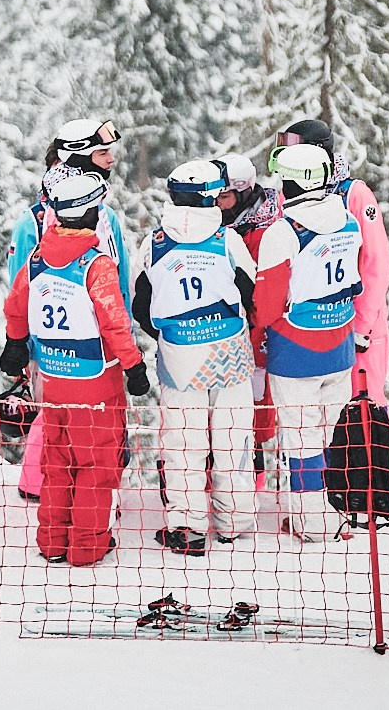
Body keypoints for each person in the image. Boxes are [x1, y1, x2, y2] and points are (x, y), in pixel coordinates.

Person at [0, 171, 147, 566]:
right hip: (96, 382)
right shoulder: (96, 265)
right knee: (96, 465)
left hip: (54, 378)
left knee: (57, 461)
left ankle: (52, 540)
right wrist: (134, 366)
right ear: (91, 214)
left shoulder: (36, 260)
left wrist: (15, 344)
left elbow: (15, 307)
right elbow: (114, 323)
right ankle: (86, 546)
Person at [3, 117, 136, 500]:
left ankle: (97, 489)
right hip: (54, 341)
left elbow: (119, 276)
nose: (110, 158)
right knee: (56, 415)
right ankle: (46, 488)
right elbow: (21, 285)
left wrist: (123, 332)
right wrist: (22, 344)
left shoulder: (104, 215)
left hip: (104, 340)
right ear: (78, 157)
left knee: (103, 419)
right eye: (102, 152)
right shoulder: (34, 220)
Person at [131, 159, 256, 555]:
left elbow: (139, 303)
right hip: (230, 353)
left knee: (184, 443)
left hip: (179, 357)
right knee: (232, 438)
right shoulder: (227, 240)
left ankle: (188, 527)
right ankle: (234, 521)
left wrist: (169, 334)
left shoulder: (153, 243)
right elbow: (251, 291)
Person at [250, 143, 364, 542]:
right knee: (332, 434)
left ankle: (311, 523)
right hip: (340, 345)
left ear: (291, 183)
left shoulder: (282, 232)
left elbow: (267, 304)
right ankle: (338, 515)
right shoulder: (349, 220)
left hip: (295, 351)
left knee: (301, 440)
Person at [269, 120, 389, 402]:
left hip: (356, 324)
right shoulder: (288, 195)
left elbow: (376, 263)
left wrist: (361, 325)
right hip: (310, 326)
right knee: (313, 414)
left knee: (361, 409)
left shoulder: (353, 194)